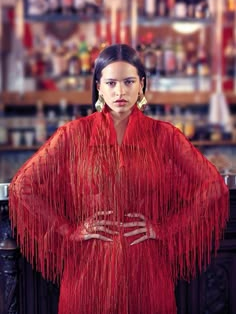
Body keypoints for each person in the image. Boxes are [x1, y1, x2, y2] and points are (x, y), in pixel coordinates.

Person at [9, 43, 229, 314]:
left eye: (128, 81)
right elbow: (22, 188)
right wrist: (68, 230)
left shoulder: (165, 136)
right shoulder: (74, 134)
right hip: (88, 270)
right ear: (99, 87)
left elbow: (213, 187)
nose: (120, 92)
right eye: (111, 83)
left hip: (146, 267)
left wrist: (166, 229)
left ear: (142, 84)